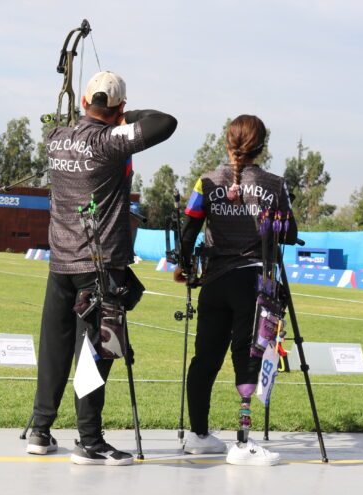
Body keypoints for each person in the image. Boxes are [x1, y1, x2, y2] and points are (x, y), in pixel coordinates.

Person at [27, 71, 177, 465]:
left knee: (56, 348)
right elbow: (165, 122)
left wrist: (104, 112)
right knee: (96, 351)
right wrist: (124, 116)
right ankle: (89, 441)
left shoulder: (55, 138)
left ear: (82, 104)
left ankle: (40, 430)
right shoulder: (110, 142)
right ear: (120, 107)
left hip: (60, 262)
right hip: (98, 265)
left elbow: (72, 121)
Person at [174, 114, 297, 465]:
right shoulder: (275, 184)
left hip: (214, 282)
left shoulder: (206, 181)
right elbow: (288, 233)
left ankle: (199, 436)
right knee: (247, 357)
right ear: (262, 147)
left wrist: (186, 269)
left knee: (205, 359)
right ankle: (242, 445)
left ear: (228, 143)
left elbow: (188, 233)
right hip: (253, 284)